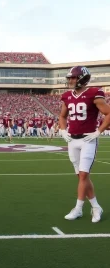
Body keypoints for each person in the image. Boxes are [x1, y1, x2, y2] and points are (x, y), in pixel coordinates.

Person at [59, 66, 110, 223]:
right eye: (70, 78)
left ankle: (78, 208)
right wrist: (62, 130)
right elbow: (62, 116)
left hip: (88, 139)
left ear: (82, 78)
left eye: (73, 78)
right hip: (72, 140)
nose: (70, 81)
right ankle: (95, 206)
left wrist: (98, 131)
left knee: (83, 175)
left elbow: (108, 113)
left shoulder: (94, 93)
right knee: (81, 176)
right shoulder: (67, 96)